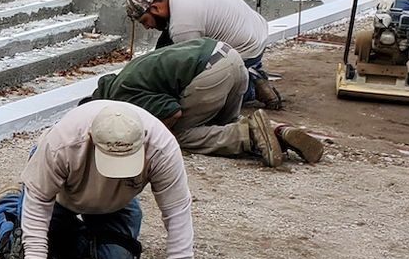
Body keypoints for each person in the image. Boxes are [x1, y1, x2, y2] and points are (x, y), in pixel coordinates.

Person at [0, 101, 196, 259]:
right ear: (91, 139)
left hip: (115, 202)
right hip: (60, 192)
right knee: (20, 255)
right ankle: (3, 206)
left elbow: (177, 211)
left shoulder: (162, 149)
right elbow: (41, 200)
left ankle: (59, 235)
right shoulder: (62, 143)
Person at [92, 37, 324, 165]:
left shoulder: (122, 96)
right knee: (221, 126)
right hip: (232, 60)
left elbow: (172, 112)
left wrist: (153, 137)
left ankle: (250, 137)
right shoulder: (126, 75)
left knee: (180, 136)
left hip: (211, 73)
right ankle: (279, 132)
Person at [124, 0, 282, 109]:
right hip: (256, 30)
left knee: (203, 92)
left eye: (145, 21)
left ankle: (251, 86)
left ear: (155, 8)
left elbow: (187, 68)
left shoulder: (182, 25)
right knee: (166, 48)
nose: (147, 27)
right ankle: (250, 70)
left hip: (246, 49)